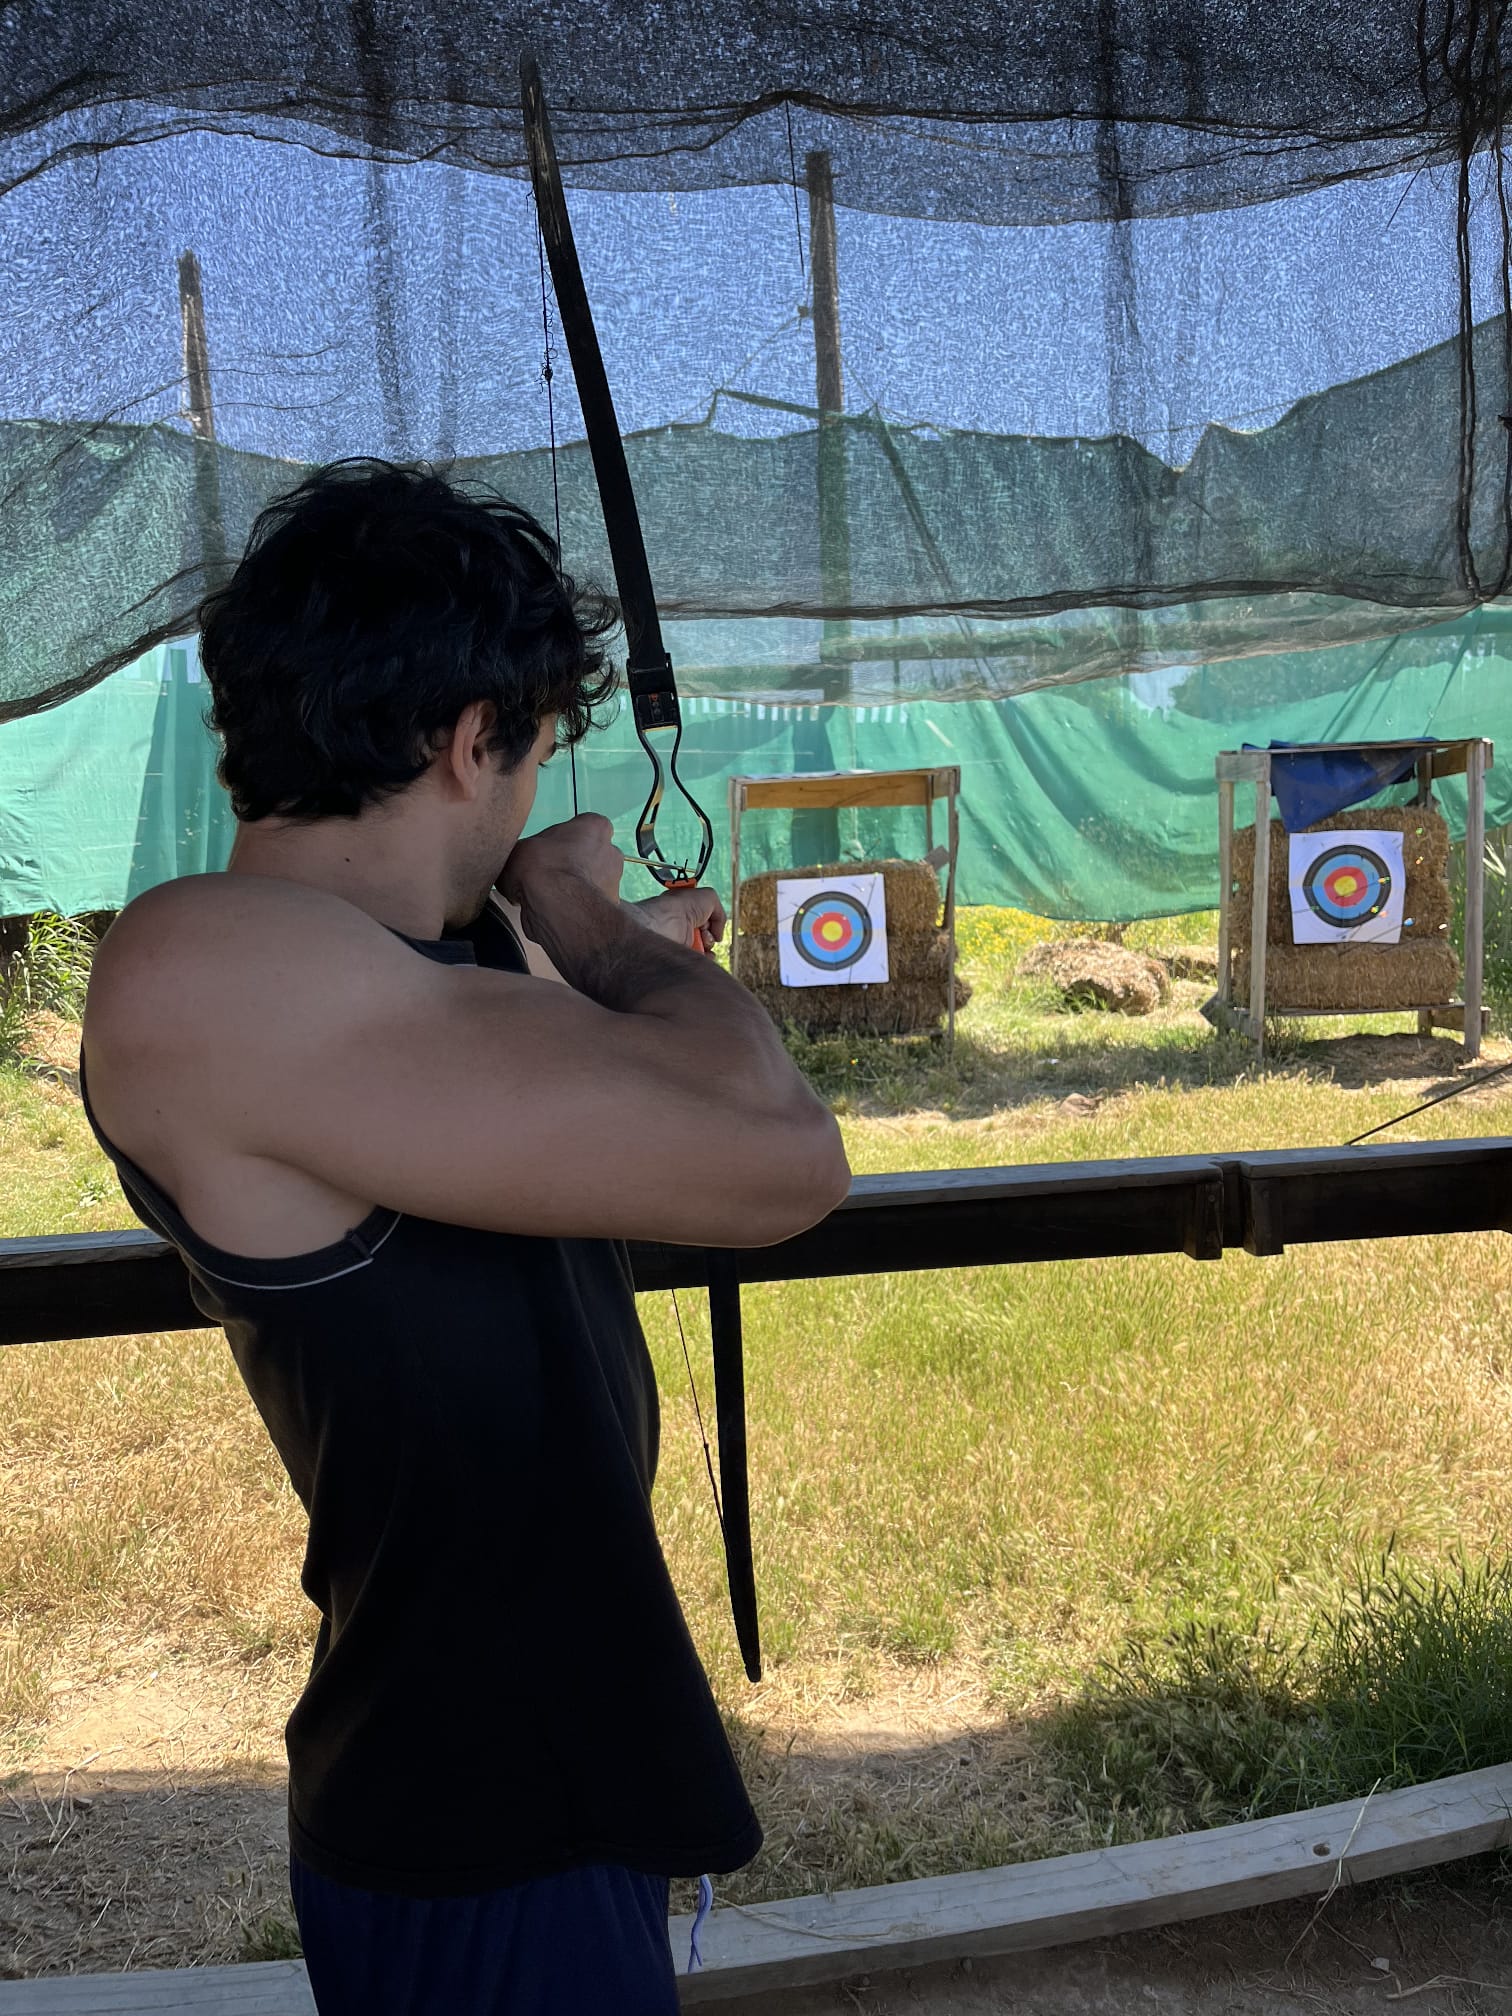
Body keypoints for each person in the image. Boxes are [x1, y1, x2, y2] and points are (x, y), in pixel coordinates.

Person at [78, 459, 852, 2014]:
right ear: (468, 738)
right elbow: (783, 1158)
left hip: (536, 1777)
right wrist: (587, 917)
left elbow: (503, 1046)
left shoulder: (396, 981)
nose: (525, 802)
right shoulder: (202, 964)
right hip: (473, 1807)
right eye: (532, 753)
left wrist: (582, 958)